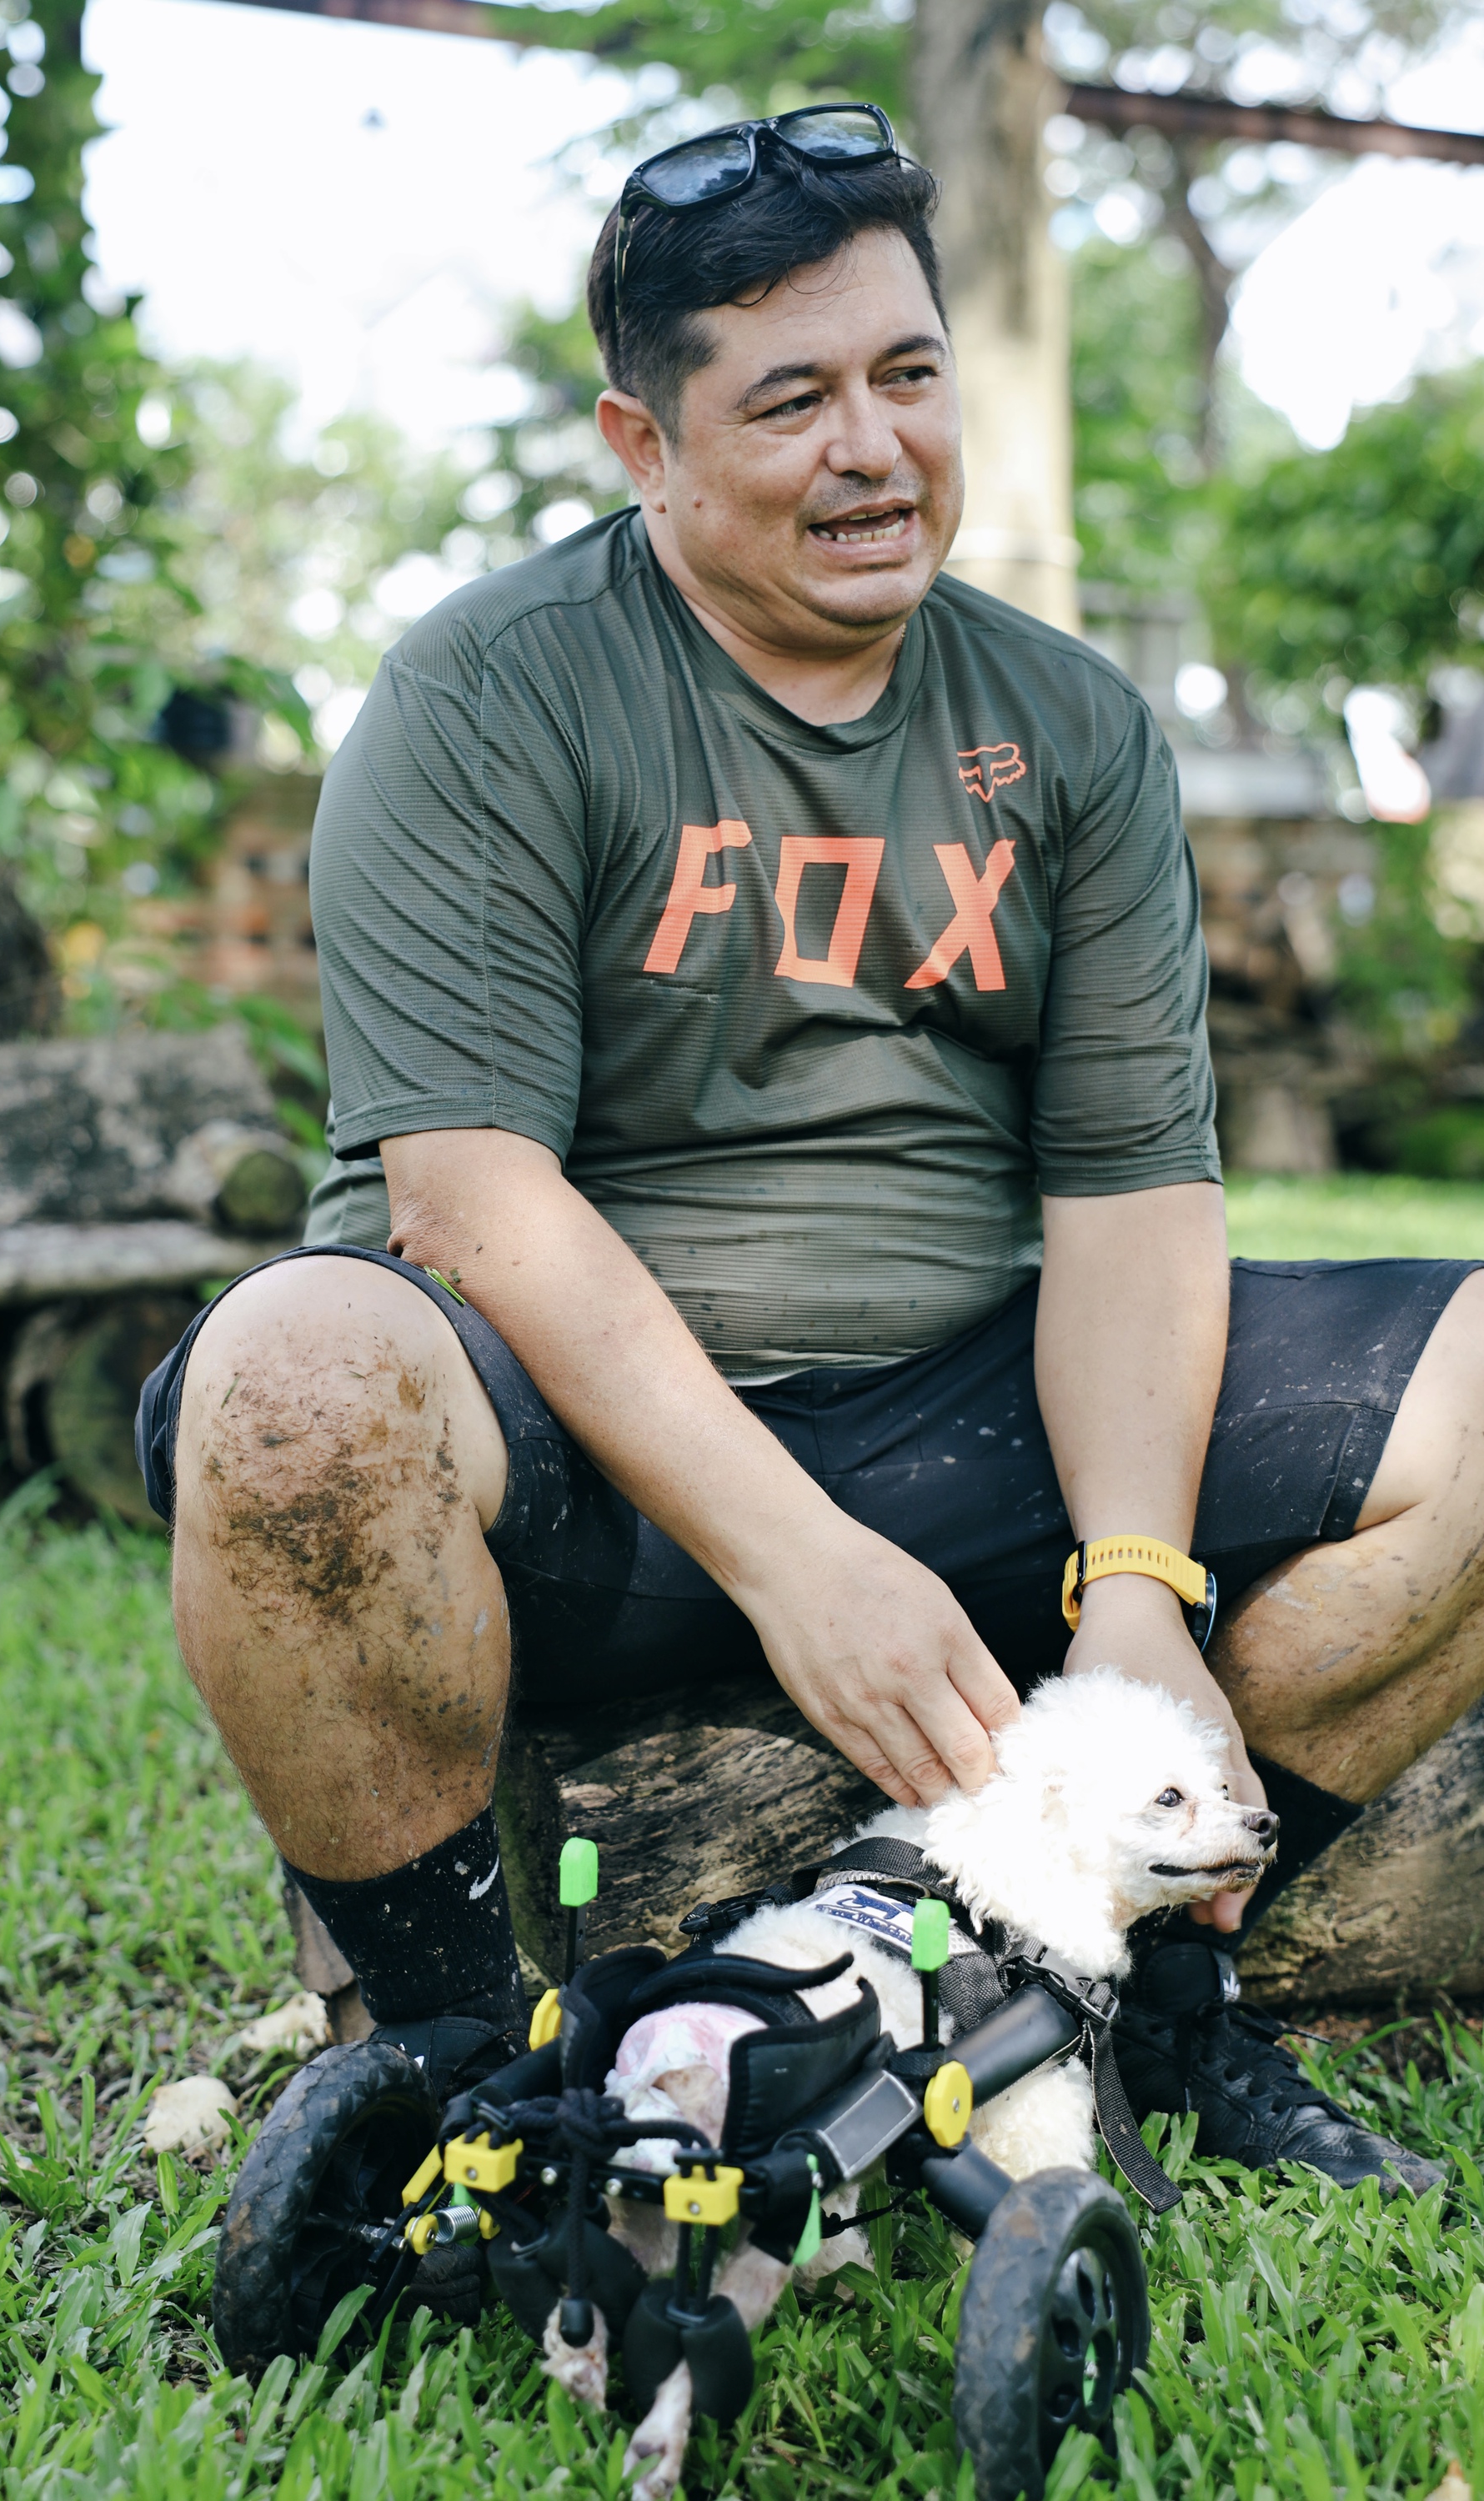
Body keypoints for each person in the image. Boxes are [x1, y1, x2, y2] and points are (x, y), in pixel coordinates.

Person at [141, 107, 1479, 2201]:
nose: (875, 449)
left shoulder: (1069, 728)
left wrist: (1132, 1593)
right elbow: (467, 1205)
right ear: (641, 444)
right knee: (291, 1369)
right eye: (791, 400)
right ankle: (464, 2084)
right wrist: (797, 1562)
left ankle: (1138, 1997)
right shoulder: (490, 691)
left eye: (907, 377)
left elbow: (1134, 1190)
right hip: (574, 1470)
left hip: (966, 1418)